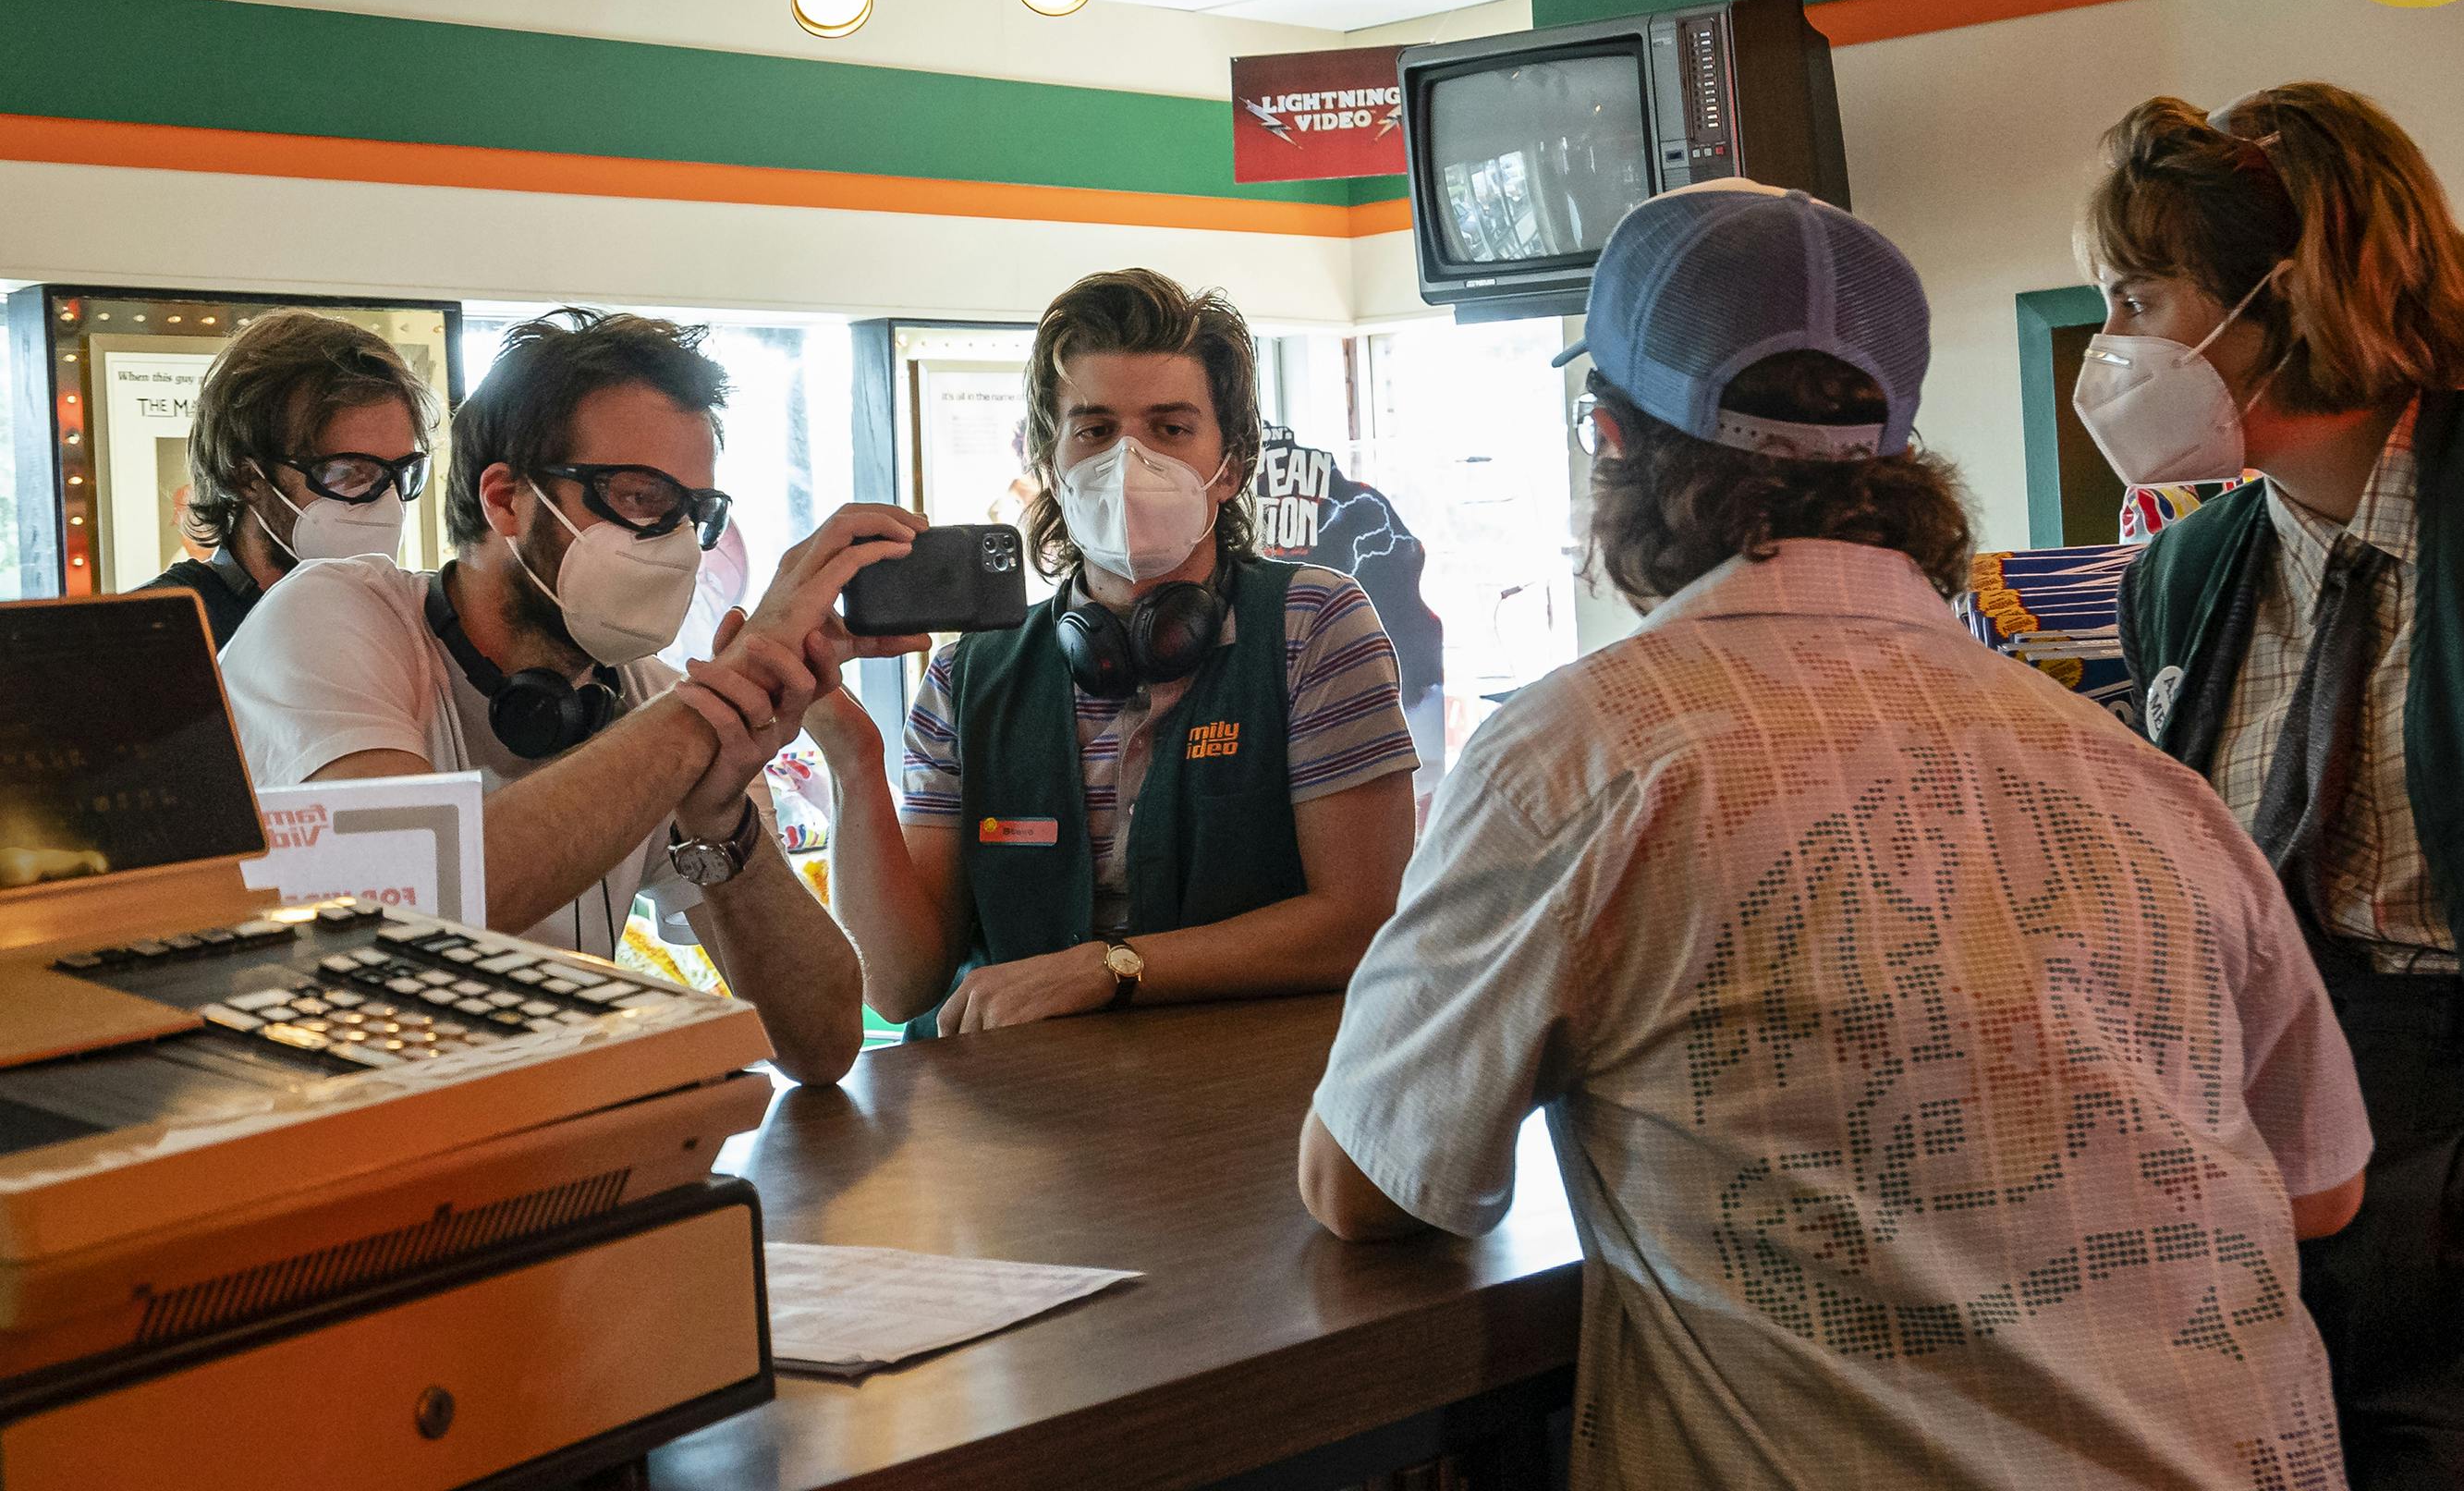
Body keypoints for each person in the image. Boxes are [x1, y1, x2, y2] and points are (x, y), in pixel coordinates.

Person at [1299, 181, 2371, 1491]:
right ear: (1897, 459)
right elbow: (2318, 1190)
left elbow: (1372, 1183)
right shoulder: (2135, 777)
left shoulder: (1582, 753)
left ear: (1611, 441)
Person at [220, 309, 921, 1086]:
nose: (678, 542)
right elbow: (412, 911)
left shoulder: (653, 702)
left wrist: (719, 822)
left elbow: (820, 1044)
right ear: (505, 500)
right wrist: (716, 700)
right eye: (638, 497)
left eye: (695, 512)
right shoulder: (336, 616)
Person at [2079, 84, 2464, 1489]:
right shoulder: (2185, 572)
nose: (2110, 347)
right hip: (2267, 1125)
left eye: (2137, 295)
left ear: (2284, 292)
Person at [815, 269, 1419, 1035]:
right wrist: (850, 758)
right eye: (1095, 430)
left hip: (1254, 1094)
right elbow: (901, 988)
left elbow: (1362, 922)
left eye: (1170, 429)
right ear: (1051, 463)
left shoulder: (1312, 625)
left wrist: (1108, 968)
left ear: (1230, 466)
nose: (1127, 463)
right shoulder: (968, 675)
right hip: (1025, 1108)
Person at [141, 308, 435, 646]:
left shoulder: (406, 626)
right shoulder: (159, 637)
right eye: (348, 473)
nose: (387, 503)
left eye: (404, 471)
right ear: (248, 477)